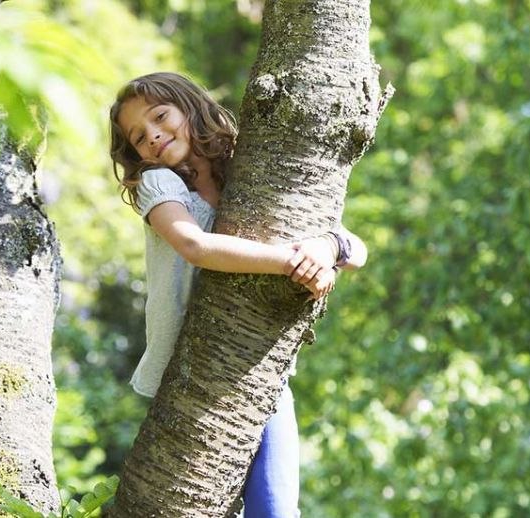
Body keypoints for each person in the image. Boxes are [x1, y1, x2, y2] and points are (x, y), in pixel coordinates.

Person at [109, 72, 367, 518]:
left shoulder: (248, 173)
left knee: (277, 508)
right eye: (137, 136)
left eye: (159, 116)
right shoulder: (159, 184)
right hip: (193, 365)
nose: (152, 135)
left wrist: (324, 249)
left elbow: (355, 247)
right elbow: (196, 246)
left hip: (257, 364)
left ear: (189, 107)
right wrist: (291, 261)